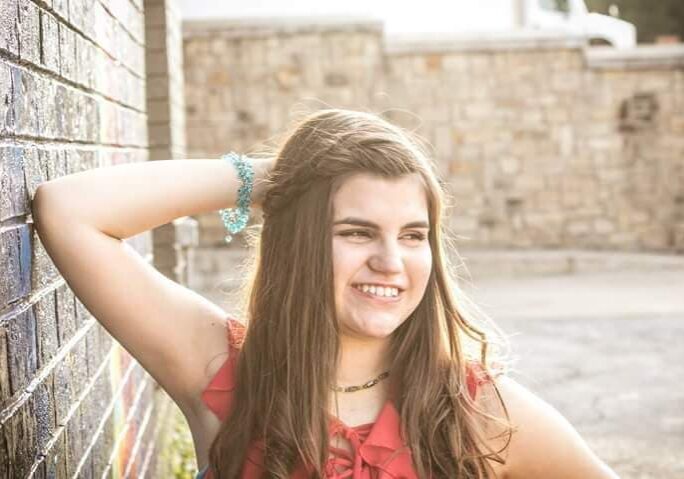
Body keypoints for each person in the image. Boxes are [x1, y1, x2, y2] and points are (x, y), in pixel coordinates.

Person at [32, 109, 619, 478]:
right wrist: (285, 179)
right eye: (357, 232)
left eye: (413, 235)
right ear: (301, 242)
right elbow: (69, 211)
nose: (391, 262)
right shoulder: (222, 369)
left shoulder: (478, 409)